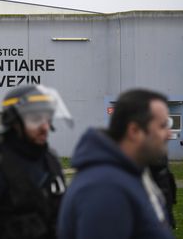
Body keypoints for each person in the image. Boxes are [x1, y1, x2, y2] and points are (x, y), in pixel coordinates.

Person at [57, 89, 175, 239]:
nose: (169, 134)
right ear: (134, 131)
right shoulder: (105, 188)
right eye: (162, 126)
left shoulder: (129, 174)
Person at [0, 85, 70, 239]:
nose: (45, 127)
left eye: (47, 119)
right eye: (36, 119)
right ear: (14, 121)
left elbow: (62, 220)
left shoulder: (51, 161)